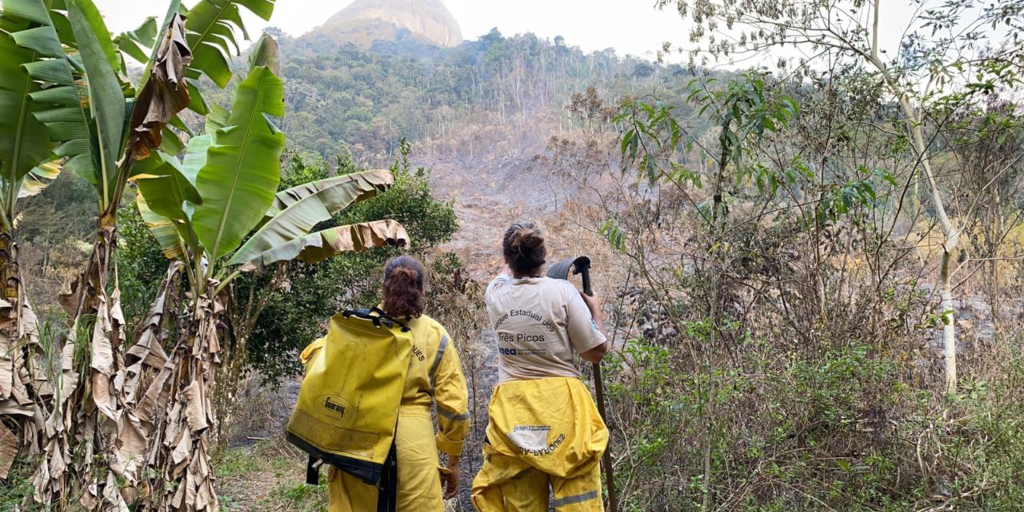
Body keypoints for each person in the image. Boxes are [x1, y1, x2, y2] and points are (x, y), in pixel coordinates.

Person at [309, 255, 471, 512]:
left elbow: (317, 367)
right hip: (413, 448)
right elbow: (455, 409)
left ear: (384, 286)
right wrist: (453, 460)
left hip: (358, 444)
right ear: (420, 290)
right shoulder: (434, 334)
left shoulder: (356, 326)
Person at [472, 222, 610, 512]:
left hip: (514, 414)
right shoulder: (562, 292)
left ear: (508, 259)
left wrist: (511, 257)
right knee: (578, 500)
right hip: (563, 410)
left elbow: (503, 272)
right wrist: (594, 308)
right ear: (543, 257)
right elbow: (595, 352)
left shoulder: (495, 293)